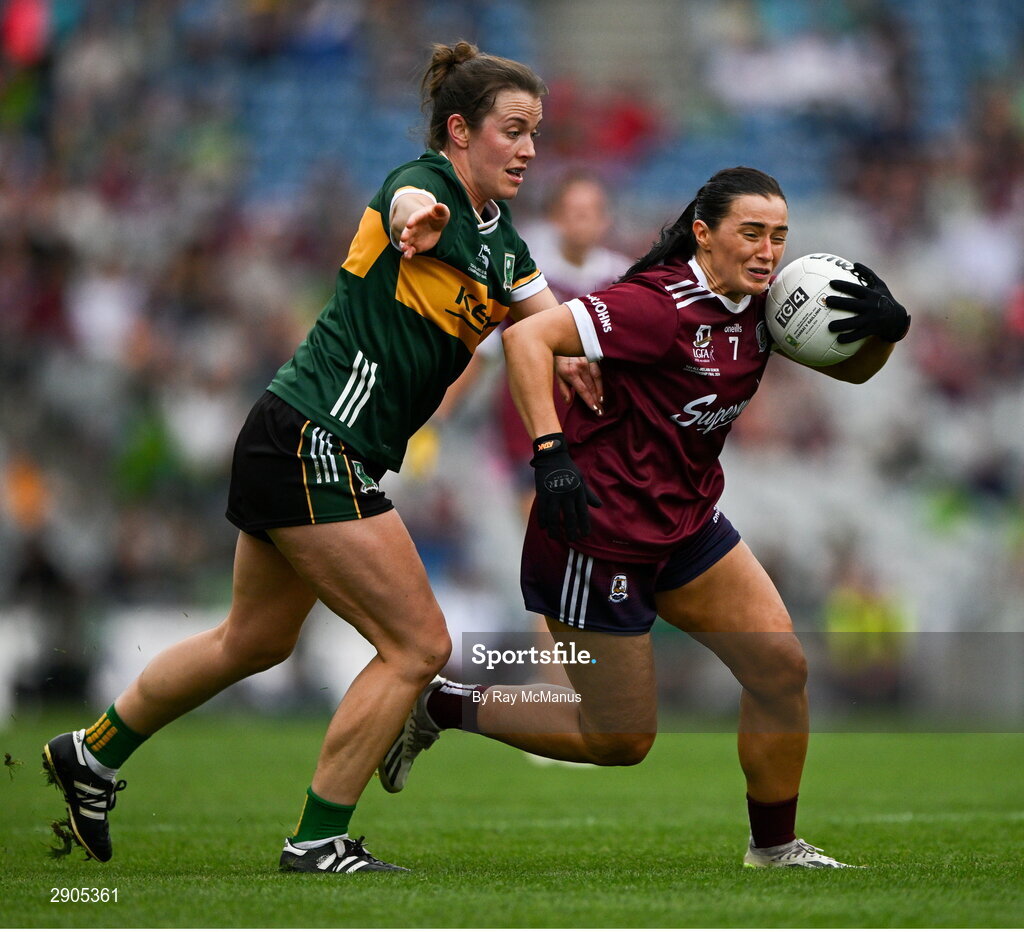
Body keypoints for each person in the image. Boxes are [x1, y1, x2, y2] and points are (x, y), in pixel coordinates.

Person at [41, 40, 598, 875]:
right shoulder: (426, 188)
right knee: (418, 646)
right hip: (312, 441)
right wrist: (417, 220)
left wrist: (579, 355)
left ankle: (92, 752)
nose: (527, 149)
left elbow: (548, 325)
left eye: (536, 134)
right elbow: (410, 201)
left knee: (252, 641)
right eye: (512, 130)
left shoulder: (505, 245)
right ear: (458, 130)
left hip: (294, 439)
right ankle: (317, 839)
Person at [379, 166, 911, 868]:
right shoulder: (660, 305)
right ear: (702, 233)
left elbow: (855, 371)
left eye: (778, 236)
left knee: (781, 668)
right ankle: (441, 706)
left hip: (687, 527)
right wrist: (549, 453)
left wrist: (885, 329)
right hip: (597, 535)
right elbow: (525, 341)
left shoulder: (767, 308)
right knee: (620, 740)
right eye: (750, 233)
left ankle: (775, 849)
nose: (767, 251)